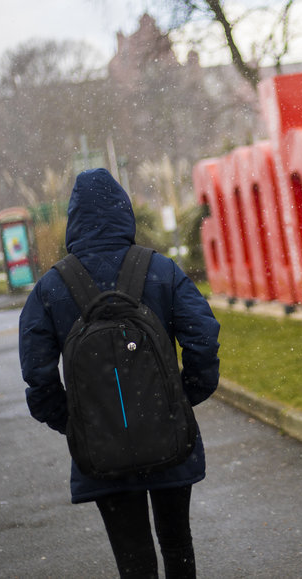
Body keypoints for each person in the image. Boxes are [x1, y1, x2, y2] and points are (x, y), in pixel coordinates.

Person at [19, 168, 220, 579]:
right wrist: (182, 396)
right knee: (177, 542)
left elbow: (37, 376)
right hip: (167, 433)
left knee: (133, 559)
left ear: (74, 219)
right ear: (124, 212)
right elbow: (203, 337)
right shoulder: (160, 270)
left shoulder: (52, 288)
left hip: (101, 446)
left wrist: (76, 420)